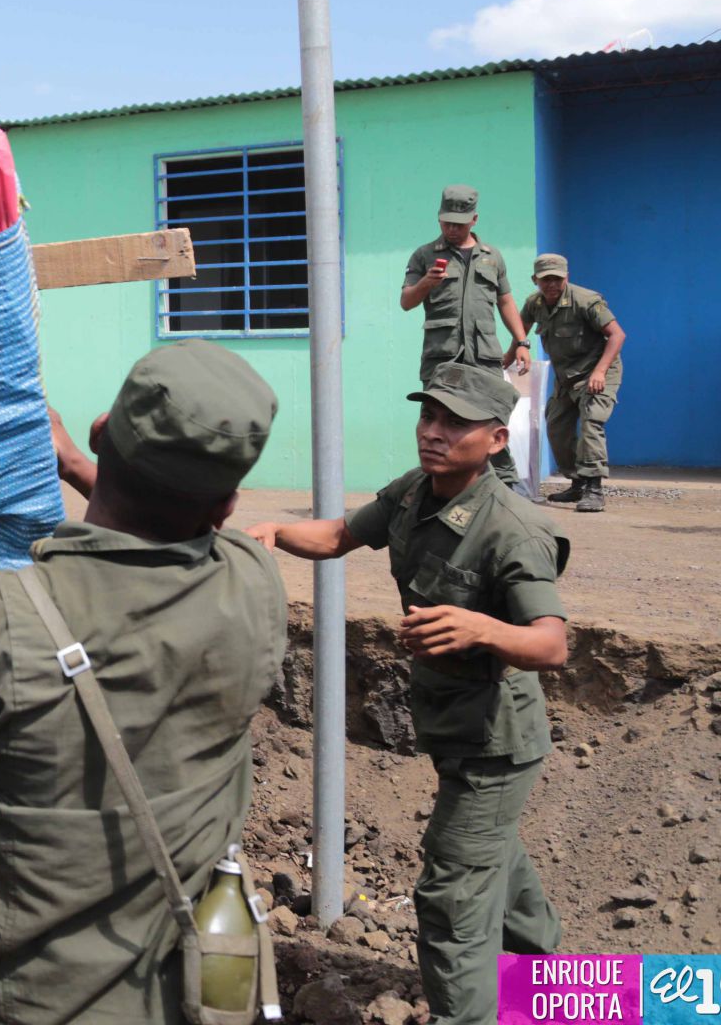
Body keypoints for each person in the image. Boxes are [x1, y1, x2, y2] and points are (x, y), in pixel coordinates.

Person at [0, 342, 287, 1024]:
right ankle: (515, 998)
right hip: (178, 1002)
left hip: (18, 1007)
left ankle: (517, 999)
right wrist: (77, 463)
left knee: (469, 919)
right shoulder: (254, 587)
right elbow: (210, 535)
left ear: (104, 431)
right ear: (226, 504)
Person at [246, 363, 568, 1025]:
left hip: (493, 742)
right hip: (450, 725)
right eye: (428, 417)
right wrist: (274, 534)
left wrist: (481, 626)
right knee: (497, 866)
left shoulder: (510, 527)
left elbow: (551, 645)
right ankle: (555, 996)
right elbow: (337, 536)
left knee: (451, 894)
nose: (434, 432)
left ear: (496, 440)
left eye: (454, 423)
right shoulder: (413, 493)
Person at [401, 185, 532, 490]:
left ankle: (506, 489)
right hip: (441, 356)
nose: (452, 229)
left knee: (492, 421)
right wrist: (426, 283)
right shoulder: (424, 255)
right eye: (446, 223)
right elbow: (407, 301)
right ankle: (438, 489)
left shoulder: (492, 257)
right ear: (438, 218)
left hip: (484, 355)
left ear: (474, 219)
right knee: (437, 423)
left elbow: (506, 301)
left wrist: (521, 342)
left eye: (459, 224)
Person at [518, 254, 625, 512]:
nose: (551, 285)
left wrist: (599, 372)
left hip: (598, 371)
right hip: (567, 376)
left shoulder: (586, 301)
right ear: (536, 280)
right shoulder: (535, 303)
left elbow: (617, 335)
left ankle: (594, 489)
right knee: (556, 427)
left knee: (591, 423)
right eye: (545, 280)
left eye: (556, 279)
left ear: (566, 277)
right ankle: (577, 483)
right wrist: (515, 350)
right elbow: (520, 327)